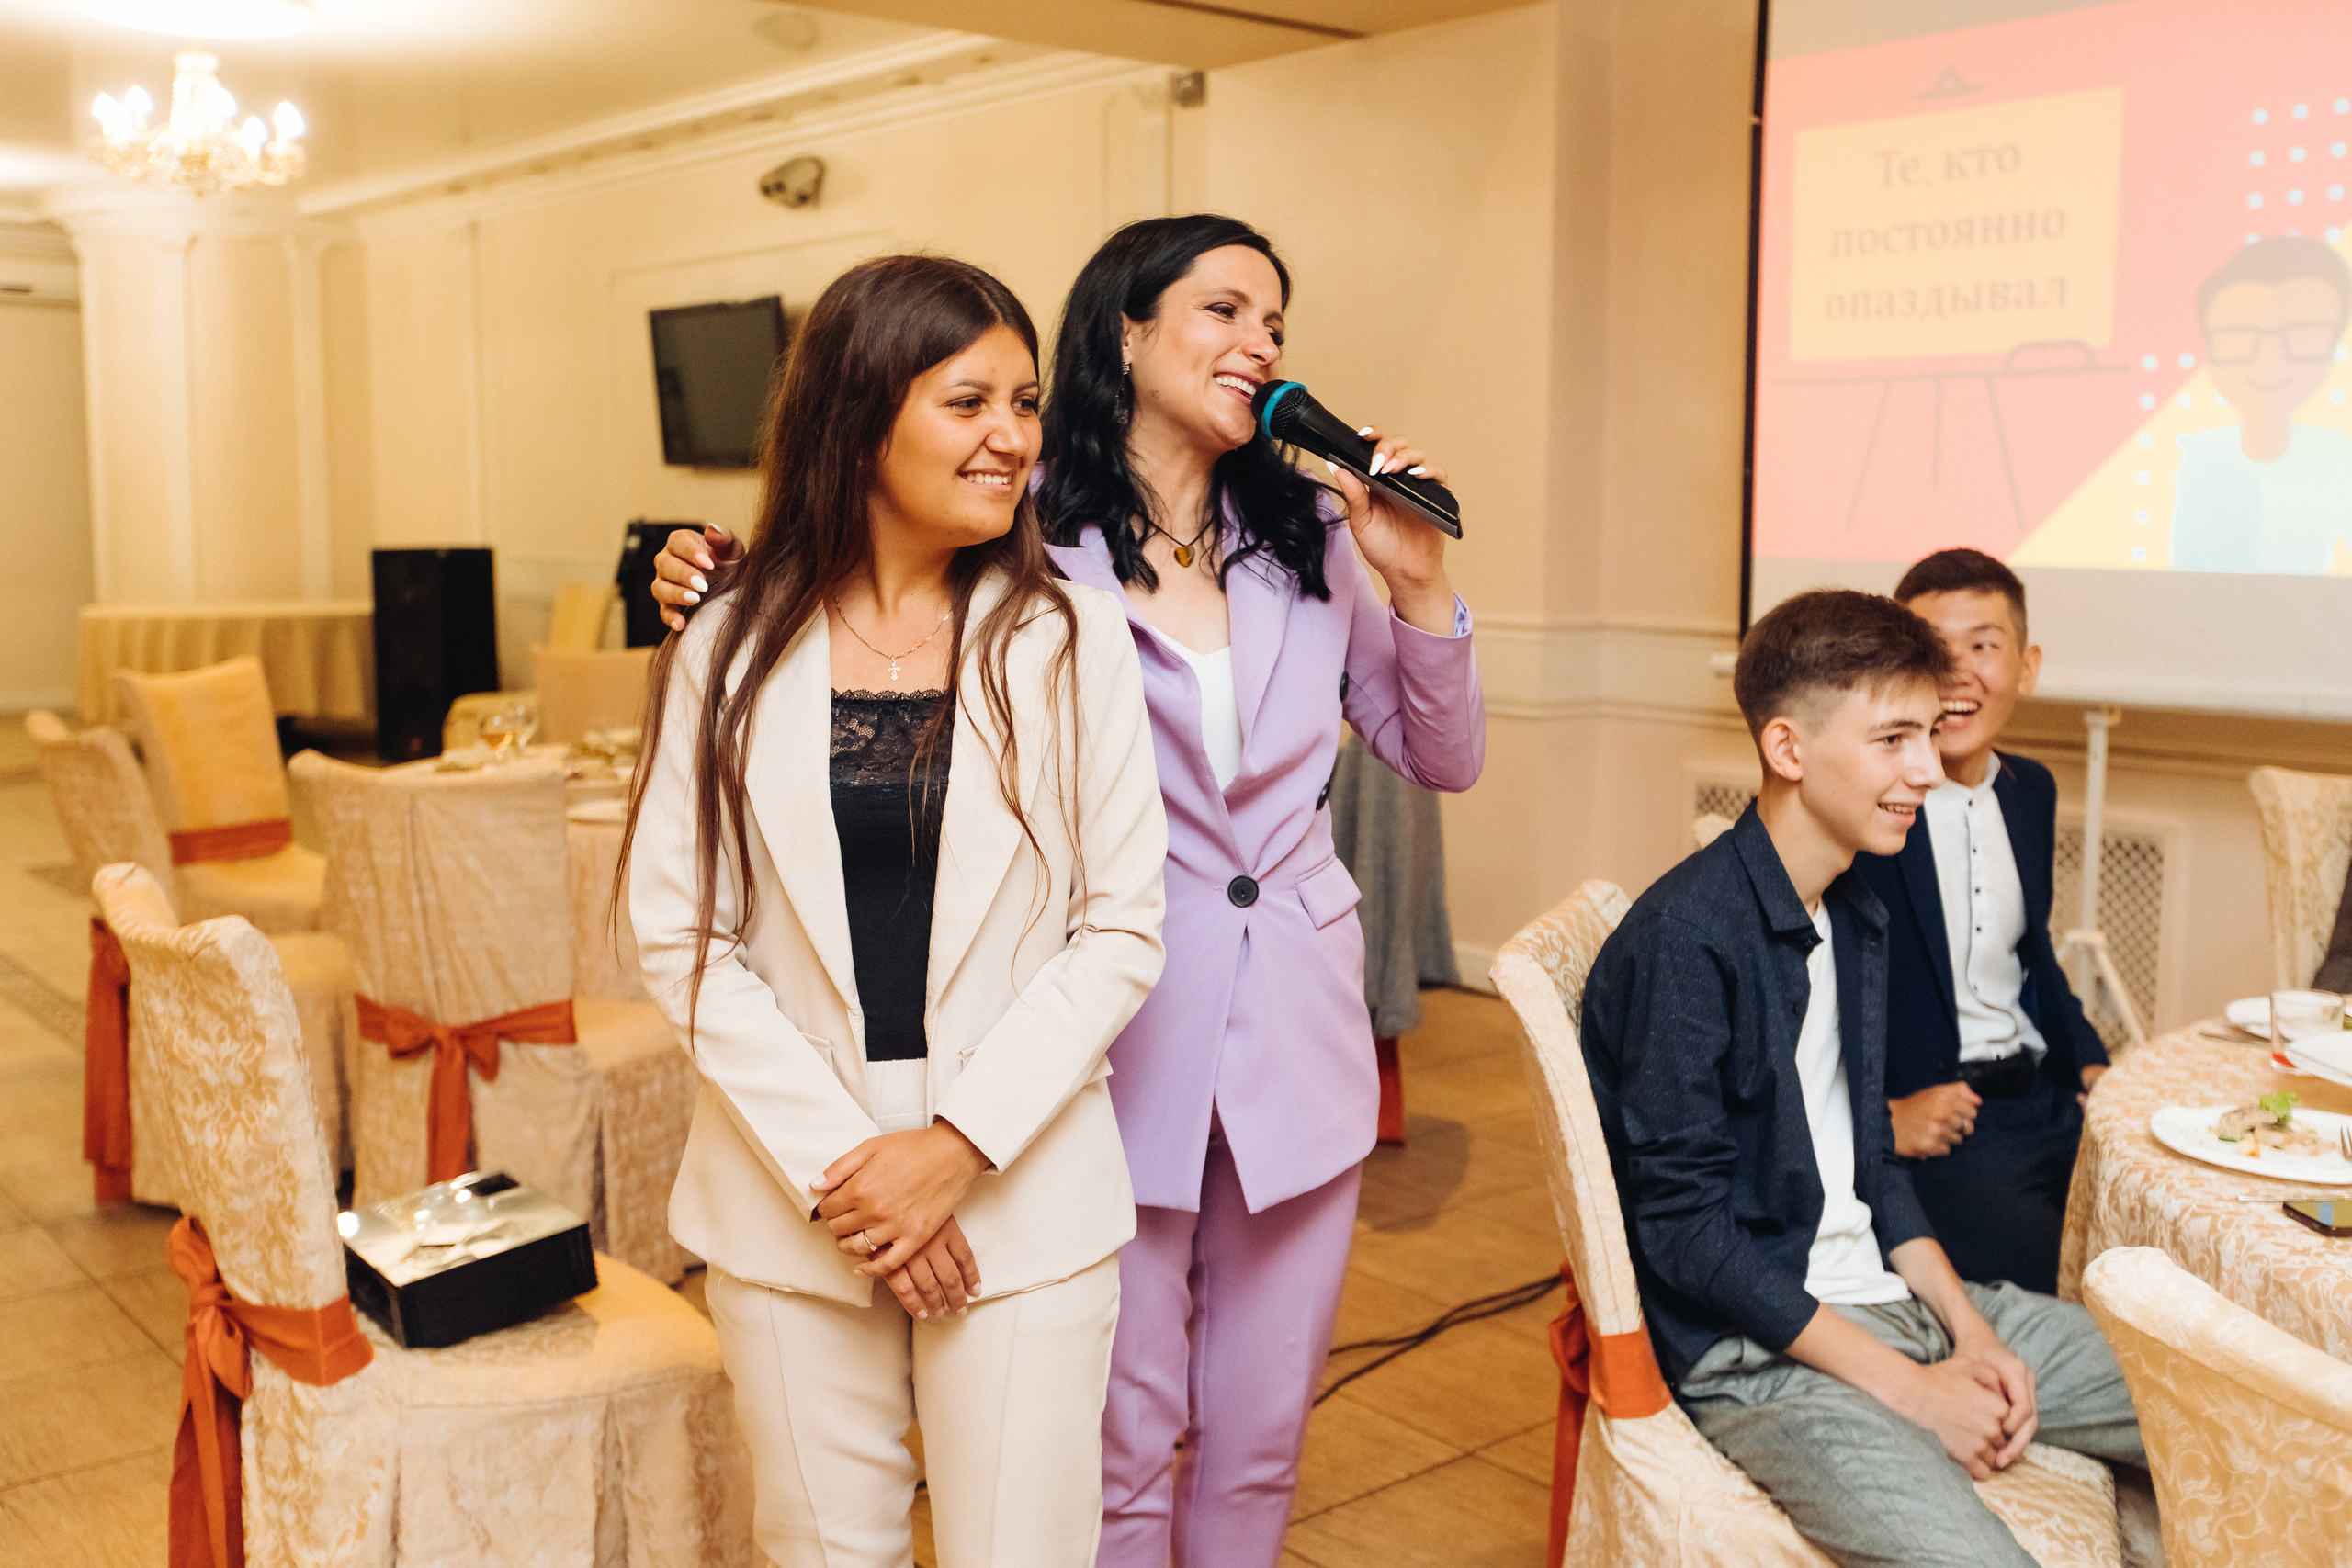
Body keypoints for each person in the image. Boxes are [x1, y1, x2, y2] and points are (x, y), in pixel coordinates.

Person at [652, 213, 1485, 1568]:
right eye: (1224, 311)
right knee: (1113, 1433)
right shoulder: (1025, 535)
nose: (1260, 343)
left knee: (1264, 1428)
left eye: (1276, 322)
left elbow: (1438, 752)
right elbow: (861, 606)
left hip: (1295, 1026)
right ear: (1127, 332)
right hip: (1104, 1039)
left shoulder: (1315, 534)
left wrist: (1420, 582)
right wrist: (715, 578)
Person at [625, 254, 1169, 1567]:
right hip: (790, 1194)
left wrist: (954, 1147)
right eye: (967, 399)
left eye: (1025, 401)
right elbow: (682, 934)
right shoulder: (727, 641)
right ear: (860, 416)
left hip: (1019, 1193)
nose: (1013, 436)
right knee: (817, 1547)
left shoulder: (1075, 637)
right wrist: (855, 1180)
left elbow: (1121, 927)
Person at [1579, 589, 2143, 1568]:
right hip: (1764, 1352)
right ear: (1789, 749)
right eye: (1892, 740)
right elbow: (1687, 1237)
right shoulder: (1685, 942)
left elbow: (1872, 1164)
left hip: (1900, 1299)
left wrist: (1970, 1334)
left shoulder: (1852, 910)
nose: (1927, 769)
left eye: (1928, 735)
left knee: (2235, 1404)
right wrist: (1905, 1387)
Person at [1850, 548, 2108, 1295]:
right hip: (1950, 1122)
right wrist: (1881, 1118)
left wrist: (2092, 1066)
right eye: (1933, 647)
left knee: (2155, 1240)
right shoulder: (1866, 805)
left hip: (2043, 1097)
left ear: (2025, 668)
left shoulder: (2032, 790)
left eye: (1983, 646)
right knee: (2052, 1292)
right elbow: (1817, 992)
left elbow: (2031, 957)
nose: (1958, 671)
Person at [2170, 234, 2352, 573]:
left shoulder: (2335, 453)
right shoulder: (2202, 453)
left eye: (2303, 334)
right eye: (2238, 335)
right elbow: (2186, 562)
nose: (2270, 359)